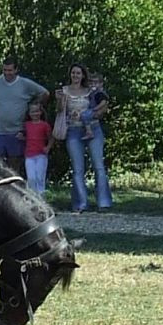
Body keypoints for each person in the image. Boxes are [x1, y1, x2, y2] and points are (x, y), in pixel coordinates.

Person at [57, 63, 112, 213]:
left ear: (83, 75)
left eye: (78, 73)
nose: (75, 76)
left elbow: (104, 108)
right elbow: (60, 111)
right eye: (73, 73)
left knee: (98, 165)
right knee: (77, 168)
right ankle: (80, 203)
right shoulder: (64, 91)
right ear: (70, 74)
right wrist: (61, 101)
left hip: (93, 129)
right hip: (73, 130)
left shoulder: (91, 91)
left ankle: (104, 203)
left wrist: (90, 114)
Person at [0, 57, 49, 174]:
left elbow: (45, 93)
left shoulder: (25, 84)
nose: (7, 73)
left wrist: (33, 107)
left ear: (16, 70)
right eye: (5, 70)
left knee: (14, 166)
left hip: (17, 132)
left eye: (10, 70)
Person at [17, 103, 53, 197]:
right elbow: (28, 137)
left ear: (41, 112)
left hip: (41, 154)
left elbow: (51, 138)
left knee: (40, 177)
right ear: (29, 113)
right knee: (31, 178)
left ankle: (41, 197)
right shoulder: (27, 125)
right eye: (33, 112)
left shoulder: (45, 125)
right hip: (29, 155)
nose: (35, 114)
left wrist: (48, 147)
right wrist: (22, 137)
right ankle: (33, 197)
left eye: (37, 111)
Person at [81, 72, 110, 140]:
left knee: (84, 115)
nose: (93, 85)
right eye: (91, 83)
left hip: (94, 110)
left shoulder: (99, 93)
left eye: (96, 83)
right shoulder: (92, 92)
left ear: (101, 84)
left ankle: (89, 131)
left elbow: (103, 102)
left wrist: (96, 108)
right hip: (93, 109)